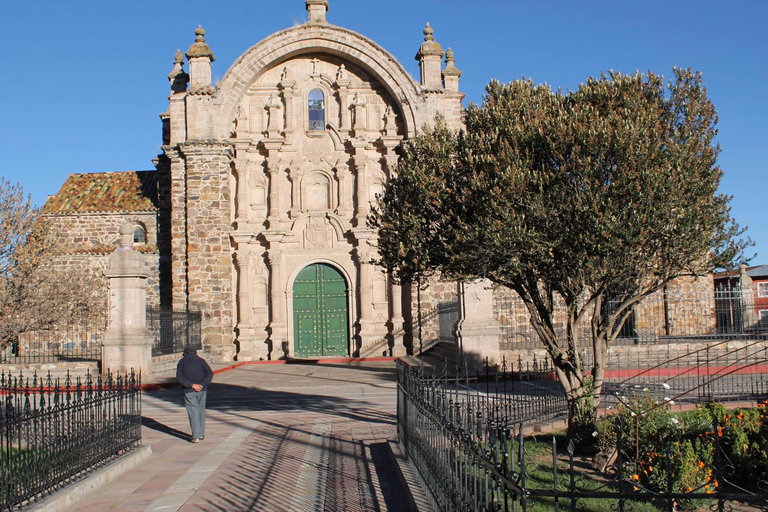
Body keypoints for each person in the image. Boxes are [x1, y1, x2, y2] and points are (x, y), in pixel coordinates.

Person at [176, 345, 213, 443]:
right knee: (201, 410)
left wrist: (191, 385)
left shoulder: (182, 362)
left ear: (185, 353)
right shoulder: (201, 361)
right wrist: (202, 384)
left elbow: (180, 377)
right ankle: (201, 434)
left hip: (189, 390)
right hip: (202, 389)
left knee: (193, 411)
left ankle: (196, 436)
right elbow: (209, 373)